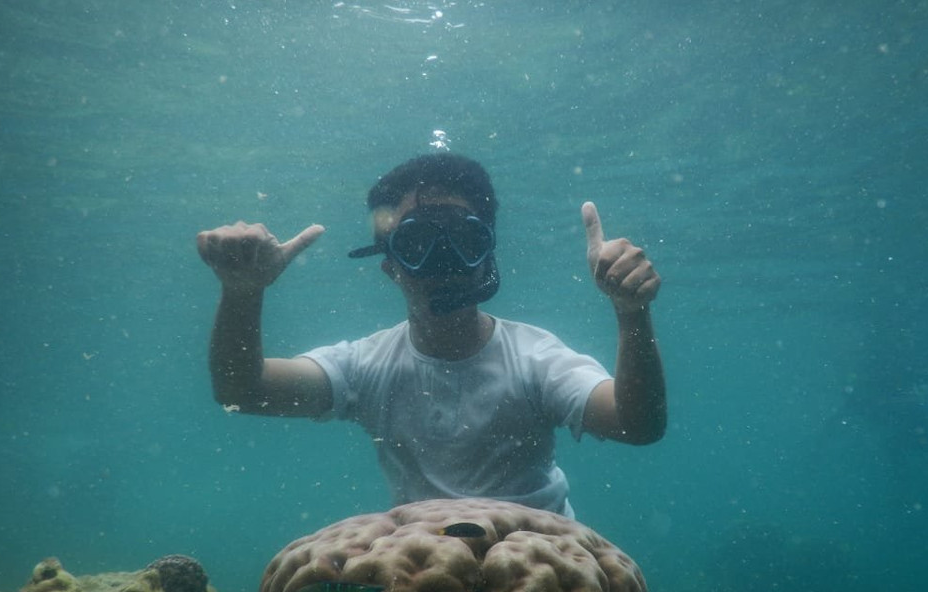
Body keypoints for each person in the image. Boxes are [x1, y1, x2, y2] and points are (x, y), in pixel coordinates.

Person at [196, 153, 665, 517]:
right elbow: (244, 390)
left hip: (545, 571)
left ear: (487, 254)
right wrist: (241, 292)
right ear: (390, 265)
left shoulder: (535, 359)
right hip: (422, 575)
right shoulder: (367, 365)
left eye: (462, 238)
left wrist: (631, 312)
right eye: (418, 243)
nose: (442, 259)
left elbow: (636, 424)